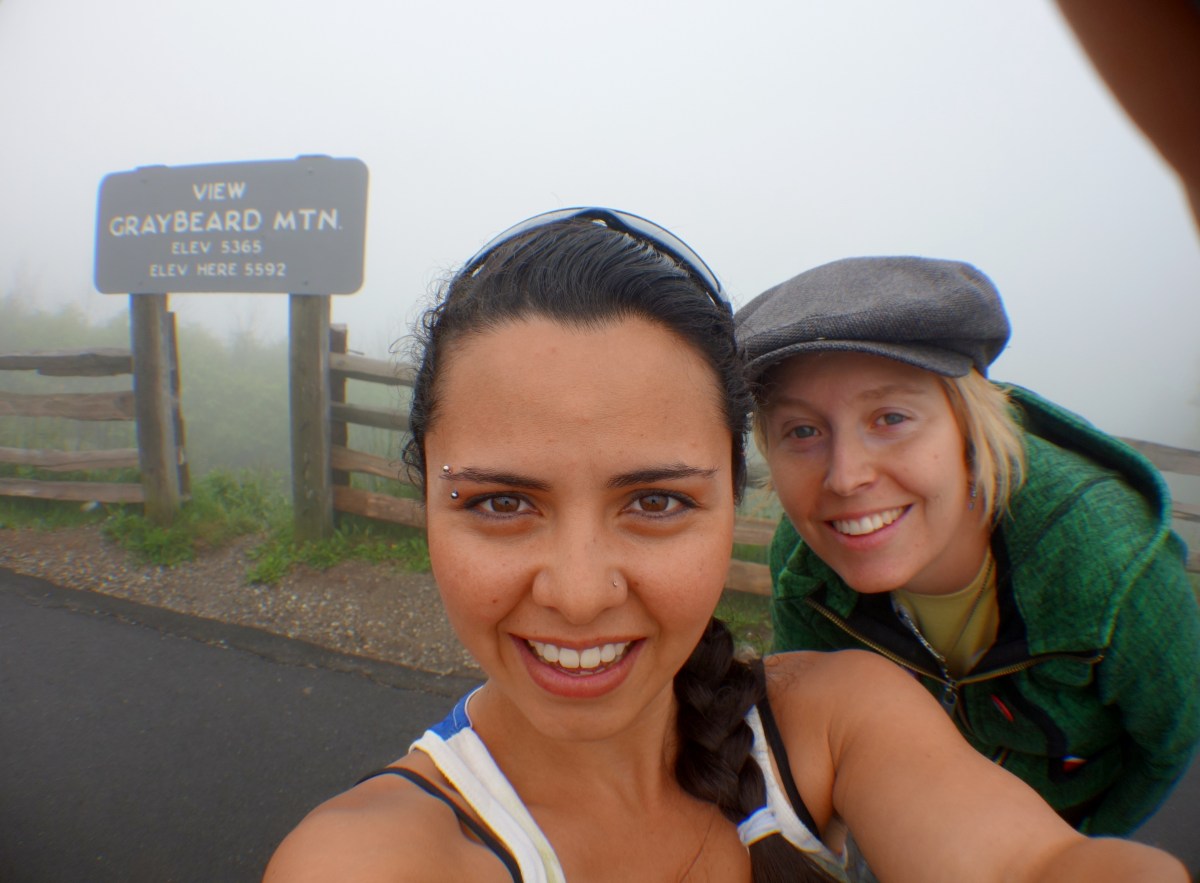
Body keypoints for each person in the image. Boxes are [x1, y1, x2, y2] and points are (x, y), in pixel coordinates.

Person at [264, 210, 1186, 882]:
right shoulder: (370, 857)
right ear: (426, 497)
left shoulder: (843, 718)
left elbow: (1036, 861)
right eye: (502, 501)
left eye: (656, 500)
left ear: (727, 505)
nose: (579, 593)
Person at [735, 255, 1200, 838]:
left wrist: (1080, 850)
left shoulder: (1112, 566)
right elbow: (811, 718)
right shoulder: (804, 570)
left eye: (891, 417)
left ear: (969, 428)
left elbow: (1166, 744)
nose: (846, 477)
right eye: (802, 431)